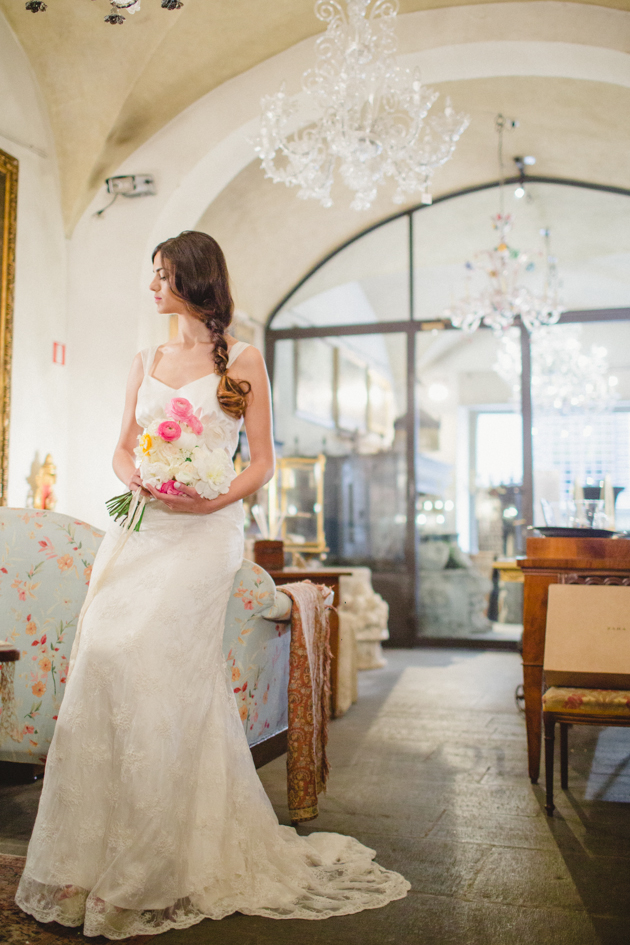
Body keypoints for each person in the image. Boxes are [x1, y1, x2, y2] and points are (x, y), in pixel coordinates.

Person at [15, 231, 410, 939]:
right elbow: (121, 445)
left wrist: (211, 496)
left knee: (158, 668)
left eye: (163, 274)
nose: (153, 286)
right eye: (153, 274)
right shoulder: (149, 359)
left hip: (204, 534)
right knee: (104, 657)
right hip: (140, 528)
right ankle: (90, 851)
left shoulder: (242, 362)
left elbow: (259, 461)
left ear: (195, 282)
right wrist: (132, 473)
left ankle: (152, 864)